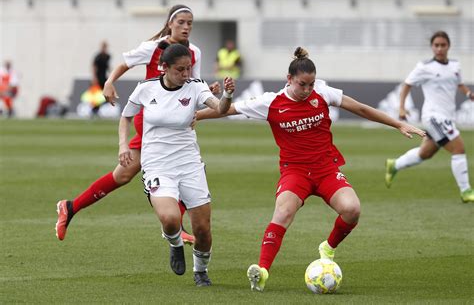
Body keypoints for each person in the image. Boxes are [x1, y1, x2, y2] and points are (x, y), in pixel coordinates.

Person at [196, 47, 425, 292]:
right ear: (289, 79)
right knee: (283, 213)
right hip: (294, 172)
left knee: (352, 210)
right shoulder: (270, 102)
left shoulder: (322, 92)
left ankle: (328, 248)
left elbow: (359, 108)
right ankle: (262, 272)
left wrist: (397, 124)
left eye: (311, 84)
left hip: (326, 169)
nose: (307, 90)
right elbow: (227, 109)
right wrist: (194, 115)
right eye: (302, 84)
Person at [56, 5, 220, 243]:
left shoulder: (194, 51)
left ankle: (70, 207)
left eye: (190, 23)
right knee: (173, 166)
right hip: (153, 119)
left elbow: (193, 82)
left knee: (123, 175)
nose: (186, 27)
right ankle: (175, 225)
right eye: (181, 22)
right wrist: (109, 82)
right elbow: (125, 63)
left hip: (179, 119)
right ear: (170, 23)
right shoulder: (153, 47)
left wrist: (208, 91)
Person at [119, 42, 234, 286]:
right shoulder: (146, 89)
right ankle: (175, 243)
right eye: (180, 70)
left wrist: (226, 95)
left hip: (189, 164)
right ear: (164, 68)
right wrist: (123, 146)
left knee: (202, 229)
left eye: (188, 69)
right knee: (170, 219)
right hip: (157, 165)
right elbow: (126, 116)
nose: (185, 74)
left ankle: (200, 271)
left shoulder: (195, 87)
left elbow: (220, 108)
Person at [385, 31, 474, 203]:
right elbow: (407, 85)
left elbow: (459, 83)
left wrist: (469, 93)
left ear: (449, 46)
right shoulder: (424, 67)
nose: (439, 48)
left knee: (425, 153)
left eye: (443, 45)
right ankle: (466, 191)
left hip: (447, 117)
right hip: (433, 117)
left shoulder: (455, 65)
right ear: (432, 47)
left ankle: (394, 165)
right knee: (458, 148)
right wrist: (402, 107)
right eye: (436, 45)